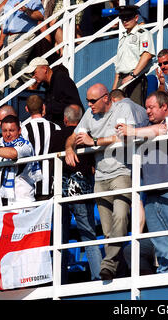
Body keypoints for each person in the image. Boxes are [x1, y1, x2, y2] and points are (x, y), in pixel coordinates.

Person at [64, 83, 137, 281]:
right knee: (107, 231)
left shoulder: (122, 109)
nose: (89, 105)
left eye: (92, 100)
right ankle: (118, 273)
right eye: (87, 100)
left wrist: (94, 142)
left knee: (121, 218)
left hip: (122, 172)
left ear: (106, 98)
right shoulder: (89, 115)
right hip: (101, 178)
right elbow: (73, 136)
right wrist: (69, 149)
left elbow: (125, 136)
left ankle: (107, 264)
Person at [116, 91, 168, 273]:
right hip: (150, 189)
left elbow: (162, 130)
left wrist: (132, 131)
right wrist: (130, 131)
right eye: (146, 107)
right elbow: (125, 136)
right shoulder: (146, 124)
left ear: (164, 107)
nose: (148, 111)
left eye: (151, 107)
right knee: (158, 237)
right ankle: (165, 271)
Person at [50, 104, 102, 282]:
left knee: (59, 239)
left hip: (60, 193)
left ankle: (58, 280)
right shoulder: (85, 135)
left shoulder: (56, 136)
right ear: (79, 120)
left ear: (65, 119)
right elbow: (93, 165)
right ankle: (97, 277)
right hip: (83, 191)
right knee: (88, 235)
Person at [0, 115, 42, 209]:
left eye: (11, 130)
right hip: (1, 209)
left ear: (19, 131)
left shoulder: (25, 145)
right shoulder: (1, 149)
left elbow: (13, 153)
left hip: (21, 207)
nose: (8, 134)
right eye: (4, 131)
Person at [0, 0, 44, 89]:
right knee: (7, 66)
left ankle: (32, 82)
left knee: (15, 59)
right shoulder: (10, 1)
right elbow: (6, 22)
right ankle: (13, 93)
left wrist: (26, 10)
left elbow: (41, 15)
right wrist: (1, 40)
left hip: (24, 34)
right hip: (8, 37)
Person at [113, 5, 155, 106]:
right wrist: (114, 88)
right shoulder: (123, 38)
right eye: (122, 19)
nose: (125, 21)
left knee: (134, 111)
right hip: (122, 79)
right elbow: (119, 67)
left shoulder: (143, 34)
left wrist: (132, 75)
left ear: (136, 18)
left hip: (135, 78)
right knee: (119, 111)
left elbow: (147, 55)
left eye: (128, 18)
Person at [21, 94, 61, 200]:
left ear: (26, 109)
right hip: (52, 180)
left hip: (31, 181)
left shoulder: (24, 129)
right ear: (43, 107)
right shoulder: (56, 127)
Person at [25, 57, 83, 128]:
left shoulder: (62, 79)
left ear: (44, 69)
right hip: (60, 128)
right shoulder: (47, 84)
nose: (33, 76)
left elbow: (74, 105)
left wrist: (48, 108)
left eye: (34, 72)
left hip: (70, 129)